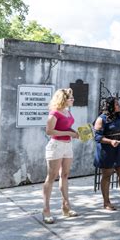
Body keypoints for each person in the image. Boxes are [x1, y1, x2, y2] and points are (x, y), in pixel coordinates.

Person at [42, 88, 79, 224]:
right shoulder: (54, 113)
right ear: (63, 99)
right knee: (51, 177)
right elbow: (49, 131)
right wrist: (69, 134)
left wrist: (74, 132)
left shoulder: (67, 112)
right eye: (71, 98)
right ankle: (46, 210)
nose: (73, 99)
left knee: (65, 175)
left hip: (67, 146)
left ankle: (66, 207)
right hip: (56, 146)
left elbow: (66, 127)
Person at [93, 97, 120, 210]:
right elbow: (97, 137)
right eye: (116, 104)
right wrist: (110, 141)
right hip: (107, 150)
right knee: (107, 176)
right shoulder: (101, 119)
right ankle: (106, 202)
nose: (119, 106)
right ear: (110, 106)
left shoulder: (119, 116)